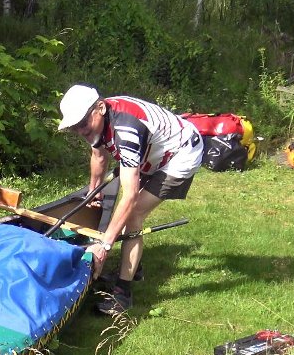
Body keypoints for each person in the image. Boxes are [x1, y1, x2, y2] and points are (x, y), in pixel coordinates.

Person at [57, 84, 203, 315]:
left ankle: (123, 294)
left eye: (83, 124)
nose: (81, 130)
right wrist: (94, 192)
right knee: (127, 214)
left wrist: (105, 245)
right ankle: (133, 268)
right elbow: (98, 154)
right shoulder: (99, 120)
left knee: (133, 214)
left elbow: (130, 195)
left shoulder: (126, 132)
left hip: (180, 155)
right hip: (154, 149)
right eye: (75, 127)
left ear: (100, 108)